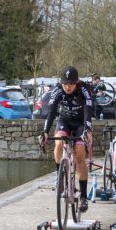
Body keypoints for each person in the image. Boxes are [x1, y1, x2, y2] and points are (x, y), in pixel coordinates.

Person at [39, 65, 92, 212]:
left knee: (80, 153)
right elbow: (51, 113)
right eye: (65, 84)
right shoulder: (57, 90)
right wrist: (45, 131)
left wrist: (87, 129)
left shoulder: (84, 89)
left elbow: (89, 110)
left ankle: (83, 197)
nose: (68, 87)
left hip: (80, 123)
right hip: (64, 121)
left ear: (77, 82)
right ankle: (60, 176)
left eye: (71, 84)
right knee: (59, 143)